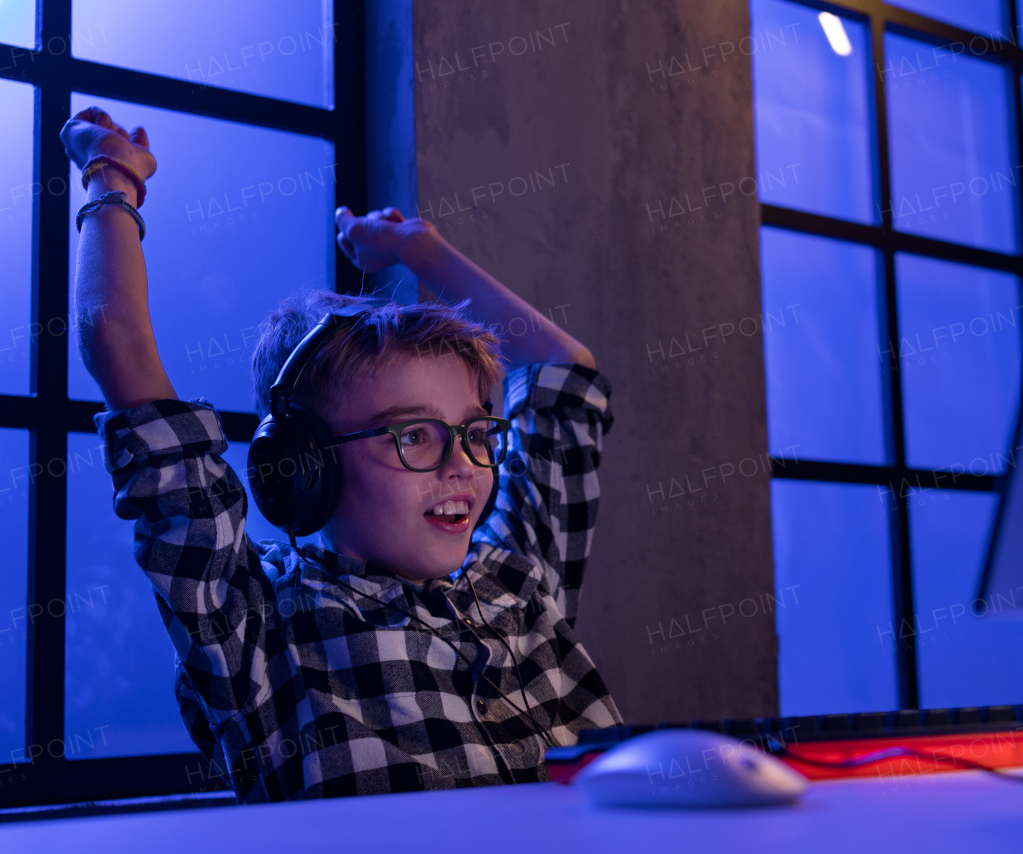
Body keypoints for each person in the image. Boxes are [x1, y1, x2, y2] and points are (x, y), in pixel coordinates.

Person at [62, 106, 622, 801]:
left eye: (476, 433)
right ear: (303, 467)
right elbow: (113, 338)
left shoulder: (518, 573)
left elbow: (563, 372)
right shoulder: (262, 628)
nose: (465, 468)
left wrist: (420, 250)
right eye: (413, 434)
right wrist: (110, 175)